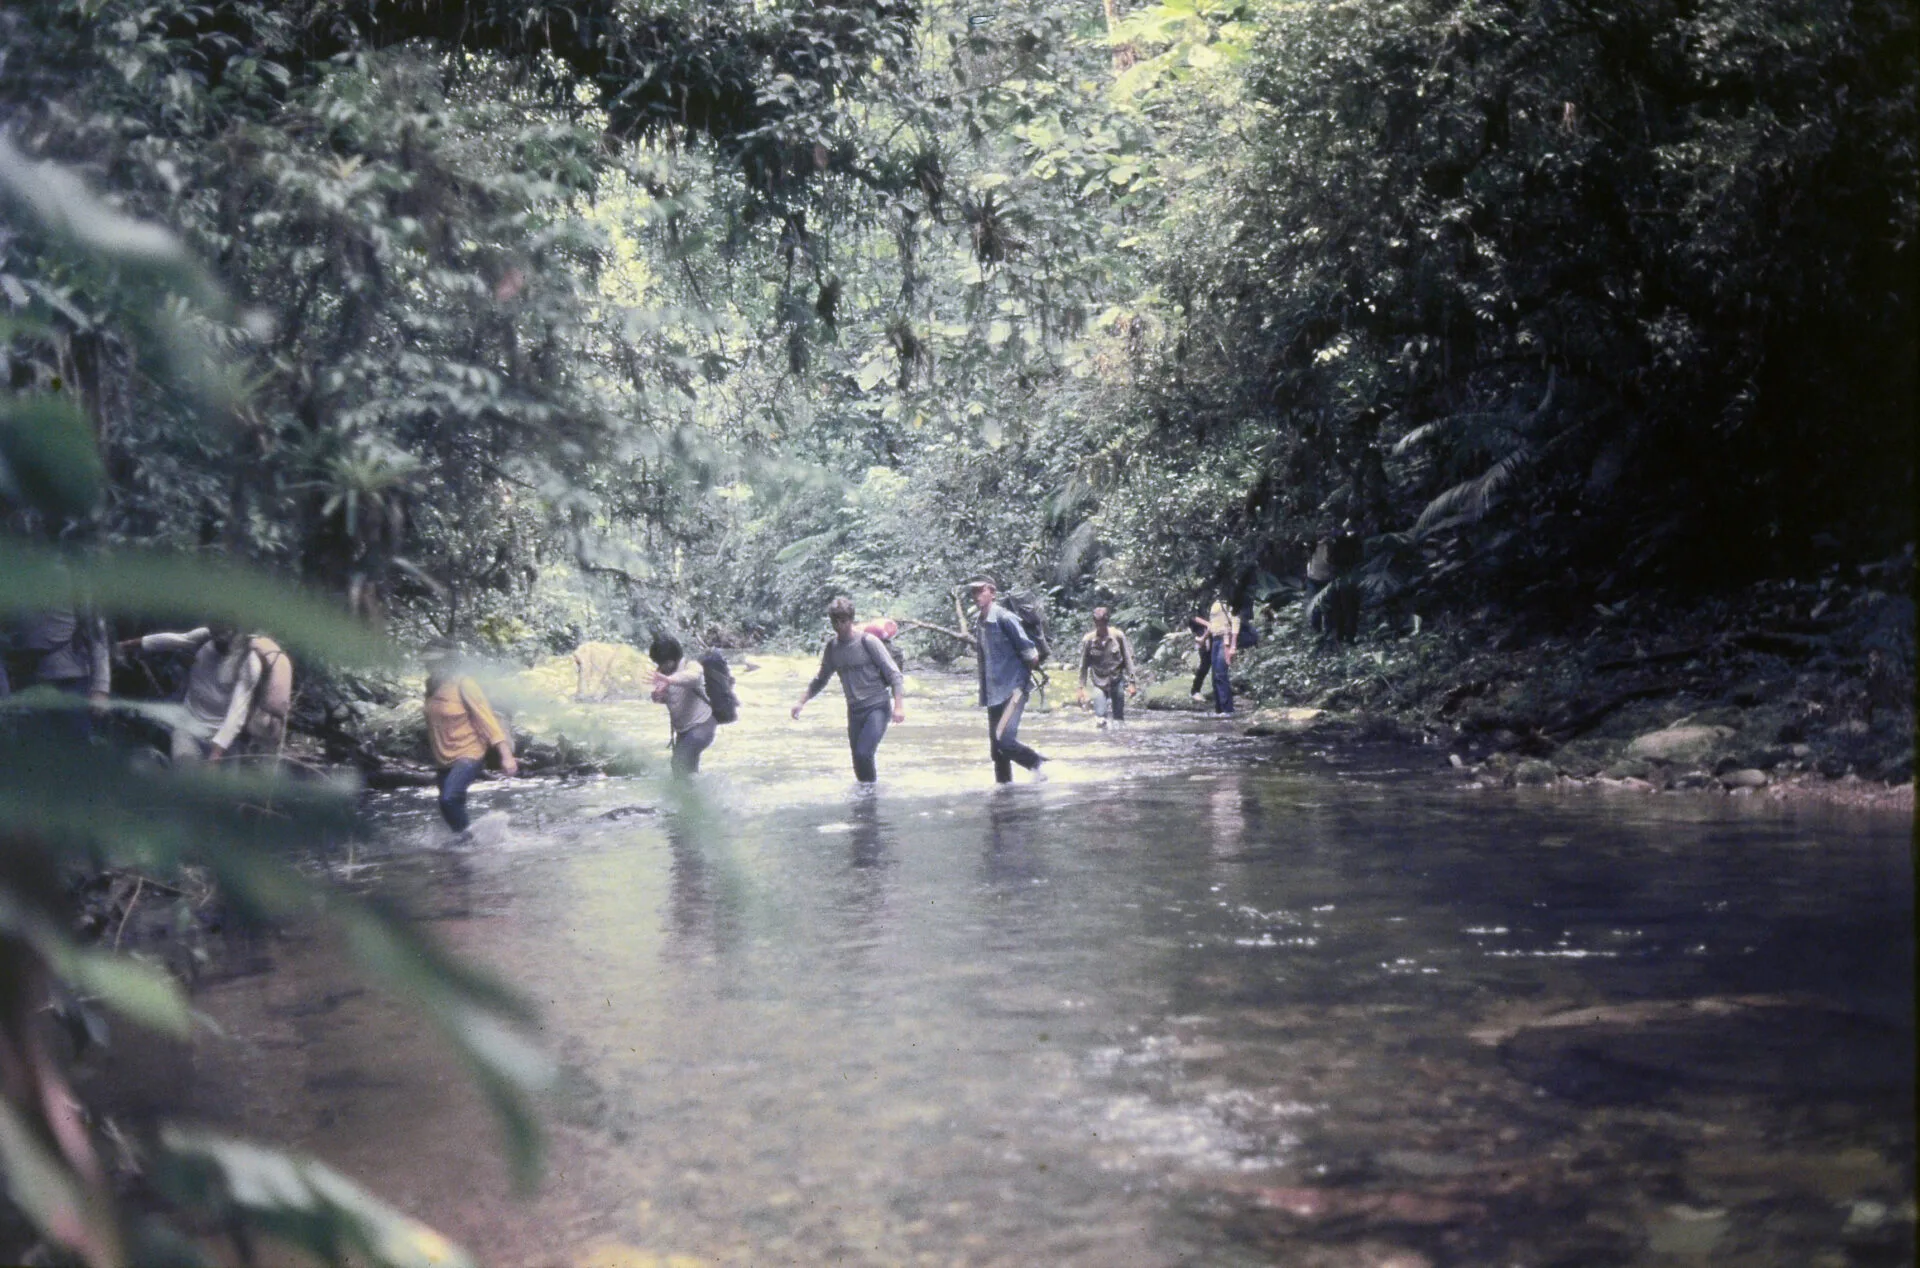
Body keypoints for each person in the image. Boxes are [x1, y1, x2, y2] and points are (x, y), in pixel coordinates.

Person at [119, 625, 292, 763]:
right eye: (216, 628)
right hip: (188, 727)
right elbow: (171, 640)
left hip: (226, 740)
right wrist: (126, 645)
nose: (220, 636)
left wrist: (215, 755)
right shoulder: (204, 638)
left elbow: (236, 714)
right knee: (186, 771)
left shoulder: (249, 663)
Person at [792, 597, 906, 784]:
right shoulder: (832, 648)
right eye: (835, 622)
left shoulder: (868, 642)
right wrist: (801, 702)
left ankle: (870, 798)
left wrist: (899, 707)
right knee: (858, 762)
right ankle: (867, 801)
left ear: (851, 620)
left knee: (864, 753)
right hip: (854, 711)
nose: (839, 626)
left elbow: (894, 674)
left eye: (843, 621)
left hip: (877, 706)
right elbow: (821, 679)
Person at [423, 650, 517, 832]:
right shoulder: (431, 686)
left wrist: (506, 756)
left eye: (434, 662)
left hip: (469, 752)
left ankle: (468, 843)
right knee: (449, 806)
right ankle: (470, 847)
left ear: (448, 662)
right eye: (427, 662)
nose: (429, 666)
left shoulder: (464, 684)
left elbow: (487, 720)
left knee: (449, 799)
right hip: (443, 758)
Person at [969, 580, 1046, 783]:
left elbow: (1031, 654)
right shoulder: (979, 621)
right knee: (997, 752)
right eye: (973, 592)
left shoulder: (1005, 618)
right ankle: (1004, 793)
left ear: (992, 593)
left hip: (1013, 690)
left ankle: (1039, 764)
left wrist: (1020, 682)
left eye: (980, 591)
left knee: (1005, 741)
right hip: (993, 692)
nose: (976, 596)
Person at [4, 607, 111, 738]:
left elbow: (97, 633)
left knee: (74, 747)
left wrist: (101, 687)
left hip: (71, 681)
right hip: (27, 681)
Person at [650, 634, 716, 776]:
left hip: (702, 725)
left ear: (674, 658)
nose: (661, 666)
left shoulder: (691, 666)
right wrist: (659, 697)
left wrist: (668, 680)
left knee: (680, 763)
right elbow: (673, 699)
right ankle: (698, 793)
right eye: (658, 663)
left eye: (664, 662)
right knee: (683, 769)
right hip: (683, 731)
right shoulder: (663, 673)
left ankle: (699, 793)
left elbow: (692, 677)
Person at [1076, 606, 1136, 729]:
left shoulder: (1118, 636)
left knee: (1118, 719)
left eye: (1102, 625)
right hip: (1099, 682)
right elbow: (1083, 665)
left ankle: (1118, 741)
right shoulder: (1089, 640)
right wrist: (1080, 687)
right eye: (1097, 624)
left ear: (1106, 622)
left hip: (1116, 680)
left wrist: (1132, 682)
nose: (1100, 628)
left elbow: (1128, 660)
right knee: (1100, 718)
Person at [1204, 597, 1238, 716]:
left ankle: (1228, 710)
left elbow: (1235, 621)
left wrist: (1233, 646)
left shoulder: (1229, 602)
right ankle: (1219, 711)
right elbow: (1212, 624)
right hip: (1215, 639)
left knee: (1221, 674)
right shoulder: (1215, 603)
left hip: (1225, 640)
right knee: (1214, 676)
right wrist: (1205, 639)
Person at [1187, 614, 1214, 701]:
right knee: (1204, 668)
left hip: (1209, 644)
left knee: (1208, 668)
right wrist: (1203, 638)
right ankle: (1195, 691)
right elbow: (1210, 626)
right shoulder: (1195, 619)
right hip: (1204, 645)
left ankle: (1196, 691)